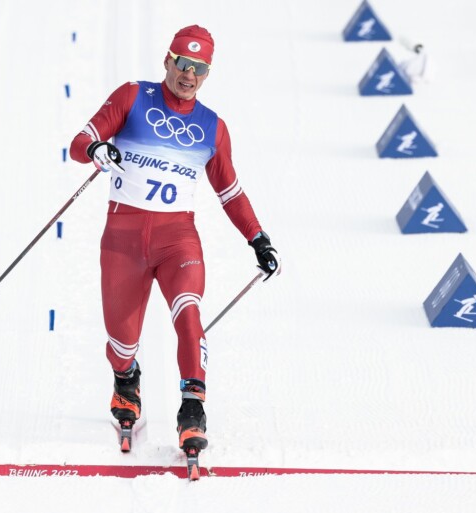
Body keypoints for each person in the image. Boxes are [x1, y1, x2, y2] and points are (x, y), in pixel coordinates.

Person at [69, 25, 280, 456]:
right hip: (123, 240)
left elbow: (230, 193)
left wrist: (257, 238)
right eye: (184, 63)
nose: (190, 75)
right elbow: (80, 142)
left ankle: (192, 409)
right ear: (168, 60)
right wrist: (96, 150)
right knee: (121, 342)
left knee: (189, 312)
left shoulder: (212, 127)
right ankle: (126, 379)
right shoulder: (132, 96)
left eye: (200, 68)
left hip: (177, 240)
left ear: (207, 74)